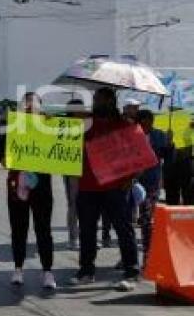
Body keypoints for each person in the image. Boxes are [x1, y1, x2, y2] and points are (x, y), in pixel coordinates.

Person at [71, 87, 140, 291]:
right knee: (87, 230)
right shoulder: (85, 124)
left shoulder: (125, 126)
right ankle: (86, 271)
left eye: (98, 99)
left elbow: (140, 155)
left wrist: (131, 178)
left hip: (116, 187)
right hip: (88, 186)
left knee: (124, 229)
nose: (94, 102)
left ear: (110, 101)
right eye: (94, 98)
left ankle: (131, 272)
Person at [6, 93, 56, 290]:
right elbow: (1, 154)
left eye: (33, 105)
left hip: (42, 188)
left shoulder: (49, 127)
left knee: (43, 230)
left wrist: (52, 126)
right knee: (18, 229)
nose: (29, 108)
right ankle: (18, 269)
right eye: (25, 105)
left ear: (40, 108)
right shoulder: (13, 127)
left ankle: (48, 271)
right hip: (18, 187)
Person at [136, 109, 170, 265]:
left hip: (151, 184)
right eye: (141, 123)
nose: (144, 126)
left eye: (147, 123)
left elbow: (168, 158)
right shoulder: (131, 135)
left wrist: (170, 145)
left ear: (152, 122)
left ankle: (148, 256)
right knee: (127, 221)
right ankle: (127, 256)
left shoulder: (160, 135)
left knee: (146, 219)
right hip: (131, 182)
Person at [62, 99, 87, 251]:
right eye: (79, 108)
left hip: (88, 171)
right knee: (74, 204)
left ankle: (86, 237)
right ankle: (73, 238)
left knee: (88, 205)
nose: (82, 111)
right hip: (72, 171)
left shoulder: (88, 124)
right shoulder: (63, 125)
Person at [164, 116, 194, 206]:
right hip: (172, 166)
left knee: (189, 198)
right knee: (172, 199)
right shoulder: (168, 122)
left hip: (188, 164)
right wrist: (169, 141)